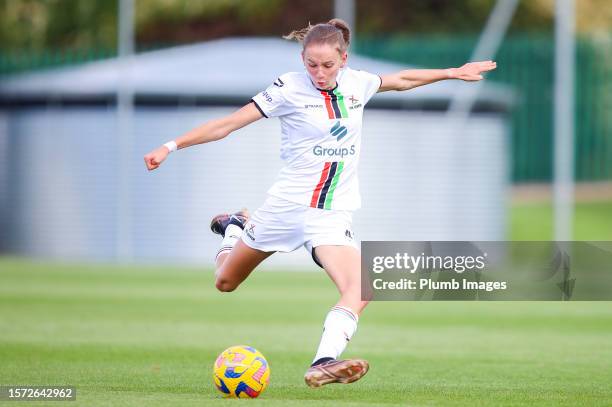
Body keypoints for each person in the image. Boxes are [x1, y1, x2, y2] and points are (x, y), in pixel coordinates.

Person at [144, 19, 496, 388]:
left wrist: (452, 73)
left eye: (328, 65)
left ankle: (323, 361)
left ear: (343, 59)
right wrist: (171, 146)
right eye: (312, 64)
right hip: (284, 208)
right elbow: (228, 124)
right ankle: (234, 227)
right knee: (225, 282)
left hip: (328, 215)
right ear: (302, 59)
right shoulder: (288, 88)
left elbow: (402, 80)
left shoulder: (359, 82)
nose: (319, 72)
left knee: (362, 284)